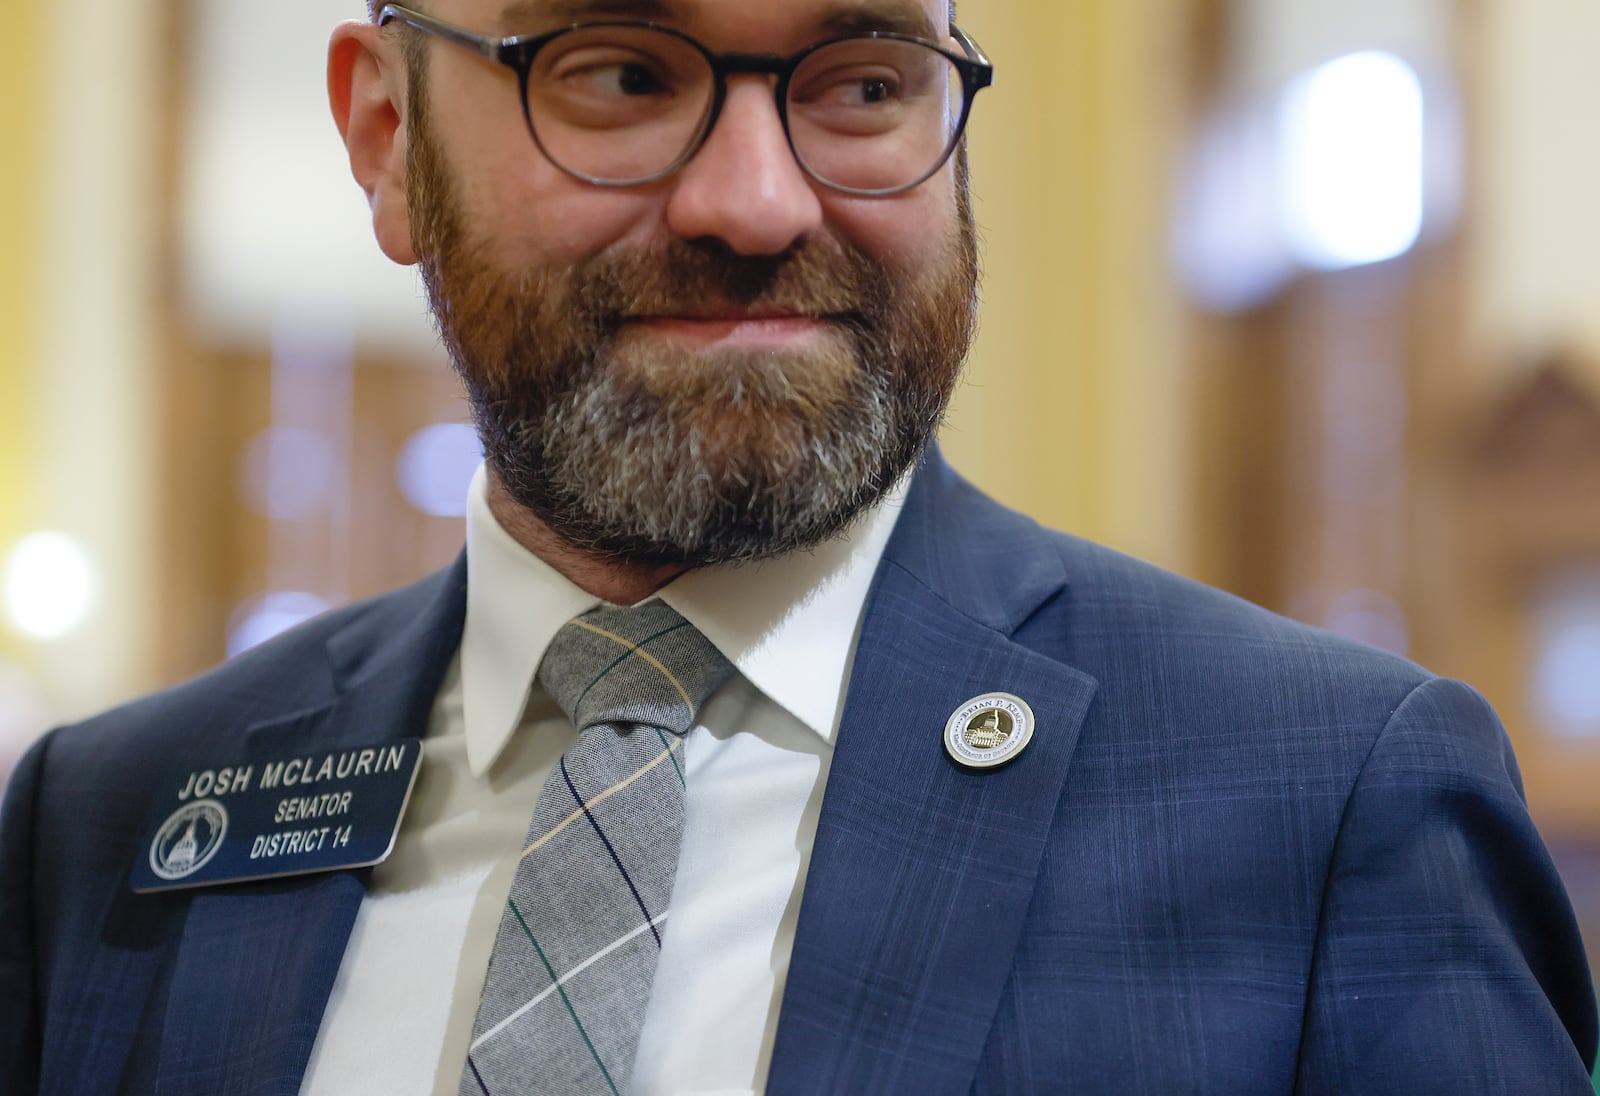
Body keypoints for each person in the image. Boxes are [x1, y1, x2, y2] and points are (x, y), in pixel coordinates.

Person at [2, 0, 1596, 1091]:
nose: (756, 201)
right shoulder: (116, 824)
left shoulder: (1324, 807)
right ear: (382, 135)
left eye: (861, 79)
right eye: (622, 72)